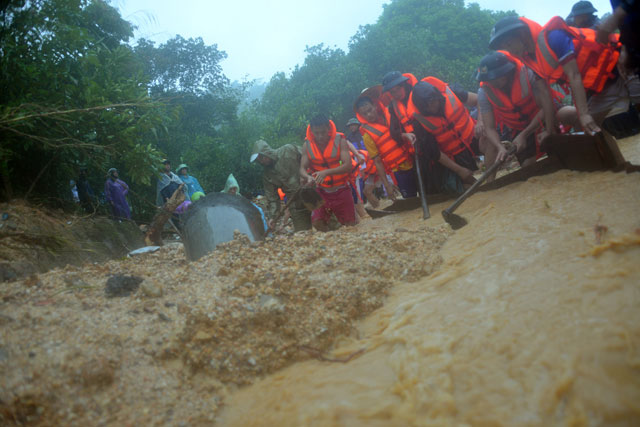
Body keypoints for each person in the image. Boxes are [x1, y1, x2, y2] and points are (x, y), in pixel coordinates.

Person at [488, 15, 632, 135]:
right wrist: (550, 132)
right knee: (588, 129)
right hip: (602, 86)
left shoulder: (554, 37)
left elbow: (573, 74)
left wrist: (583, 114)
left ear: (522, 34)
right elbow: (546, 96)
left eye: (509, 44)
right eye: (505, 48)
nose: (509, 52)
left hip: (624, 63)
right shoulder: (530, 60)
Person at [407, 77, 505, 188]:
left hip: (473, 137)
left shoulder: (451, 92)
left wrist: (480, 122)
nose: (432, 107)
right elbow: (435, 152)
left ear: (438, 97)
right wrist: (459, 170)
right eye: (427, 106)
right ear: (421, 107)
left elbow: (478, 100)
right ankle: (474, 185)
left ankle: (490, 182)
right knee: (465, 186)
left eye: (433, 102)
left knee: (490, 141)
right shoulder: (417, 121)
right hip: (454, 155)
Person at [476, 51, 561, 168]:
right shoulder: (484, 92)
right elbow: (489, 128)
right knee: (527, 167)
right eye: (488, 79)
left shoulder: (528, 75)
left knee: (569, 114)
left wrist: (524, 134)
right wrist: (500, 147)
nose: (492, 83)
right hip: (519, 128)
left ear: (506, 72)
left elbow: (546, 107)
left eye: (495, 78)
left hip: (545, 116)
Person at [354, 87, 415, 199]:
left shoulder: (390, 114)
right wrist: (387, 185)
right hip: (399, 170)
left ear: (375, 106)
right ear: (361, 116)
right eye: (365, 114)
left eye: (370, 110)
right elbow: (377, 161)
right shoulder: (367, 135)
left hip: (414, 160)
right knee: (411, 199)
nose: (369, 115)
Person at [299, 115, 357, 231]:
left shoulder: (340, 140)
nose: (320, 136)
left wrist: (326, 172)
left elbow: (348, 166)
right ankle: (331, 242)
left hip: (342, 189)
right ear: (312, 132)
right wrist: (308, 177)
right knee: (317, 223)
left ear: (328, 129)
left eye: (323, 132)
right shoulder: (307, 145)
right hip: (322, 192)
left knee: (350, 226)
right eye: (316, 133)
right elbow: (302, 169)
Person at [250, 139, 312, 232]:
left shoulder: (288, 150)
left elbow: (309, 156)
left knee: (323, 225)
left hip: (311, 191)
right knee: (302, 233)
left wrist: (309, 174)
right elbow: (272, 198)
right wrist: (273, 217)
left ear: (267, 152)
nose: (261, 162)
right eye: (258, 160)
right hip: (295, 202)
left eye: (262, 157)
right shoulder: (267, 176)